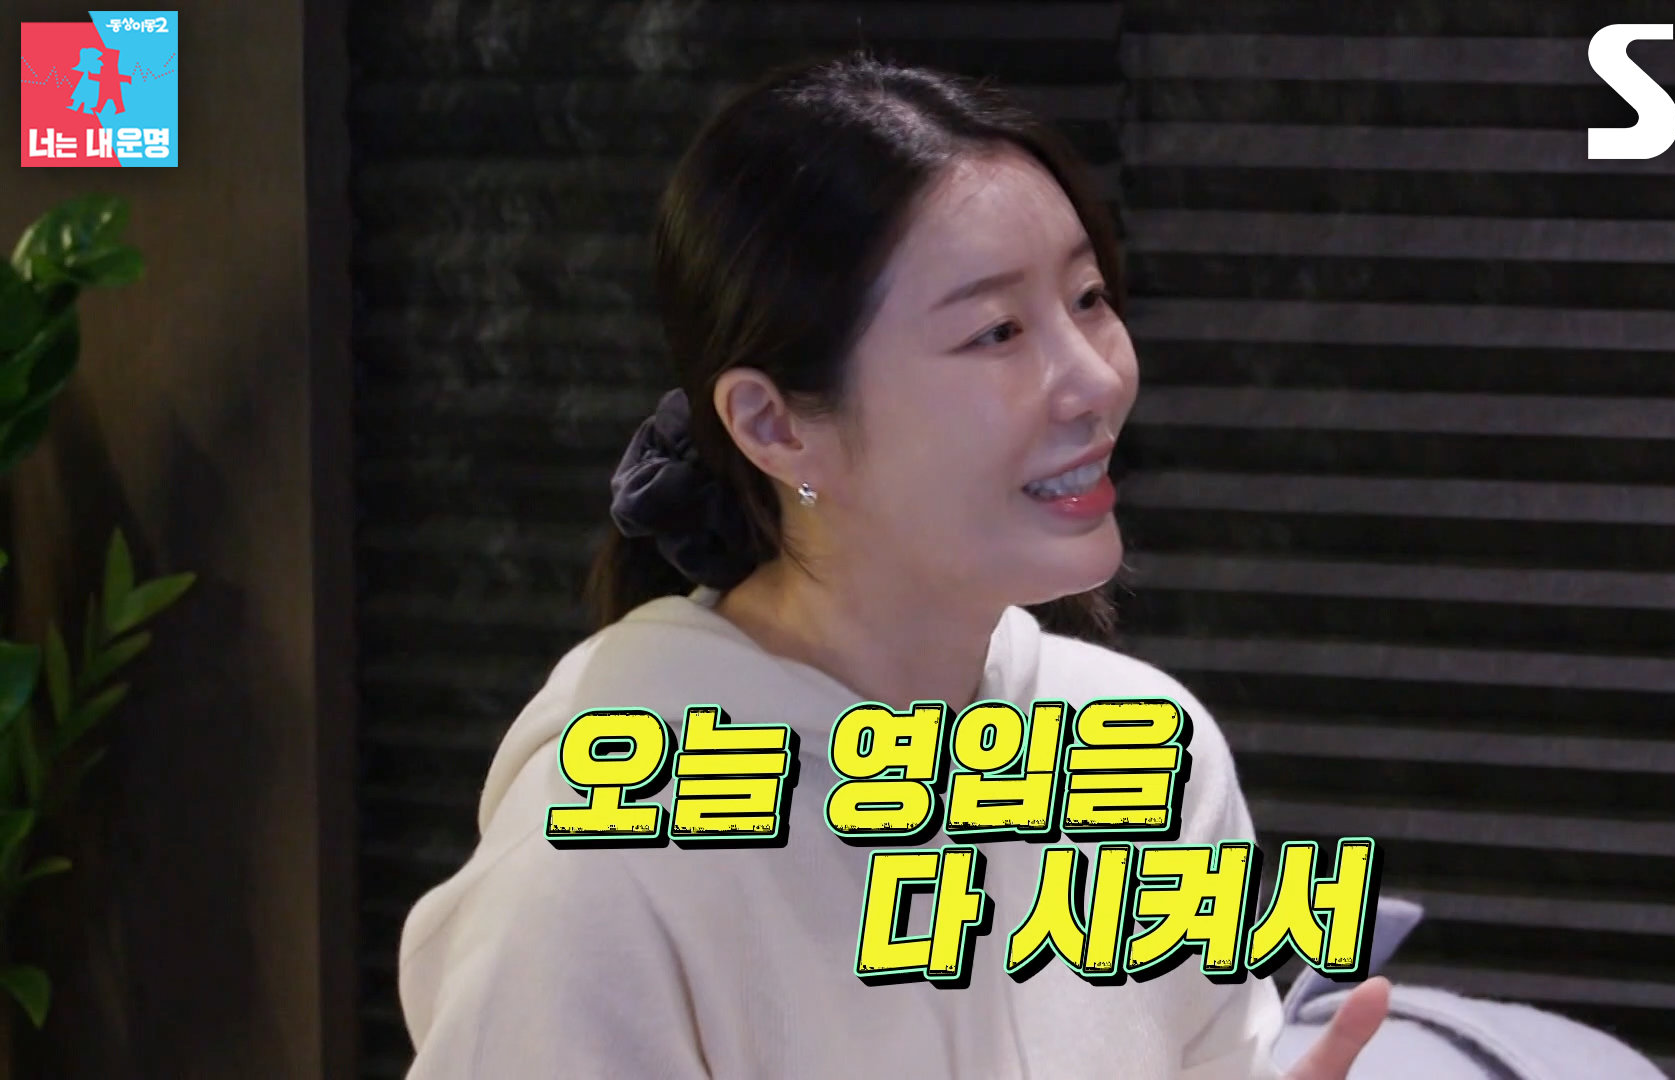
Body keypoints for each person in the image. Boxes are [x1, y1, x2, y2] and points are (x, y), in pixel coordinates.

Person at [397, 53, 1390, 1078]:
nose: (1095, 378)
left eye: (1089, 296)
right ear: (774, 426)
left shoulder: (1142, 750)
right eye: (997, 331)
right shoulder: (604, 858)